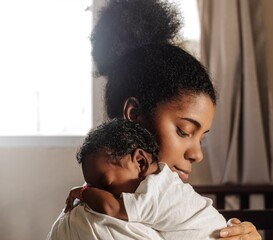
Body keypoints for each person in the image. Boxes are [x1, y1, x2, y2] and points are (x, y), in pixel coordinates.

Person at [62, 0, 261, 239]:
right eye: (184, 131)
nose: (197, 155)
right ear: (134, 115)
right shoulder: (96, 225)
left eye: (201, 138)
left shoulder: (165, 207)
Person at [54, 118, 227, 239]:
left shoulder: (156, 192)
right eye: (92, 185)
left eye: (104, 184)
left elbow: (111, 207)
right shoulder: (161, 180)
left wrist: (85, 192)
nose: (100, 191)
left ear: (141, 162)